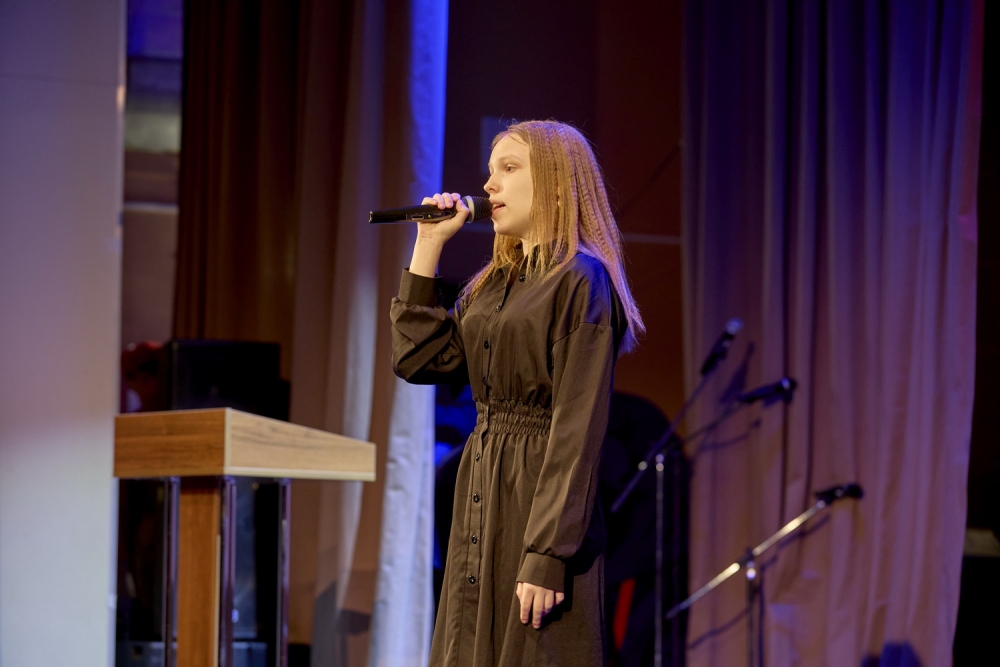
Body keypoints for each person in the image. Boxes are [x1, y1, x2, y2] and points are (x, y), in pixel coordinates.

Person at [390, 120, 644, 666]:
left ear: (555, 184)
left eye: (508, 169)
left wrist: (548, 554)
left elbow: (577, 428)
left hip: (539, 501)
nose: (488, 185)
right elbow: (418, 360)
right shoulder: (493, 285)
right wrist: (428, 244)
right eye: (490, 171)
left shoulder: (581, 279)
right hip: (484, 486)